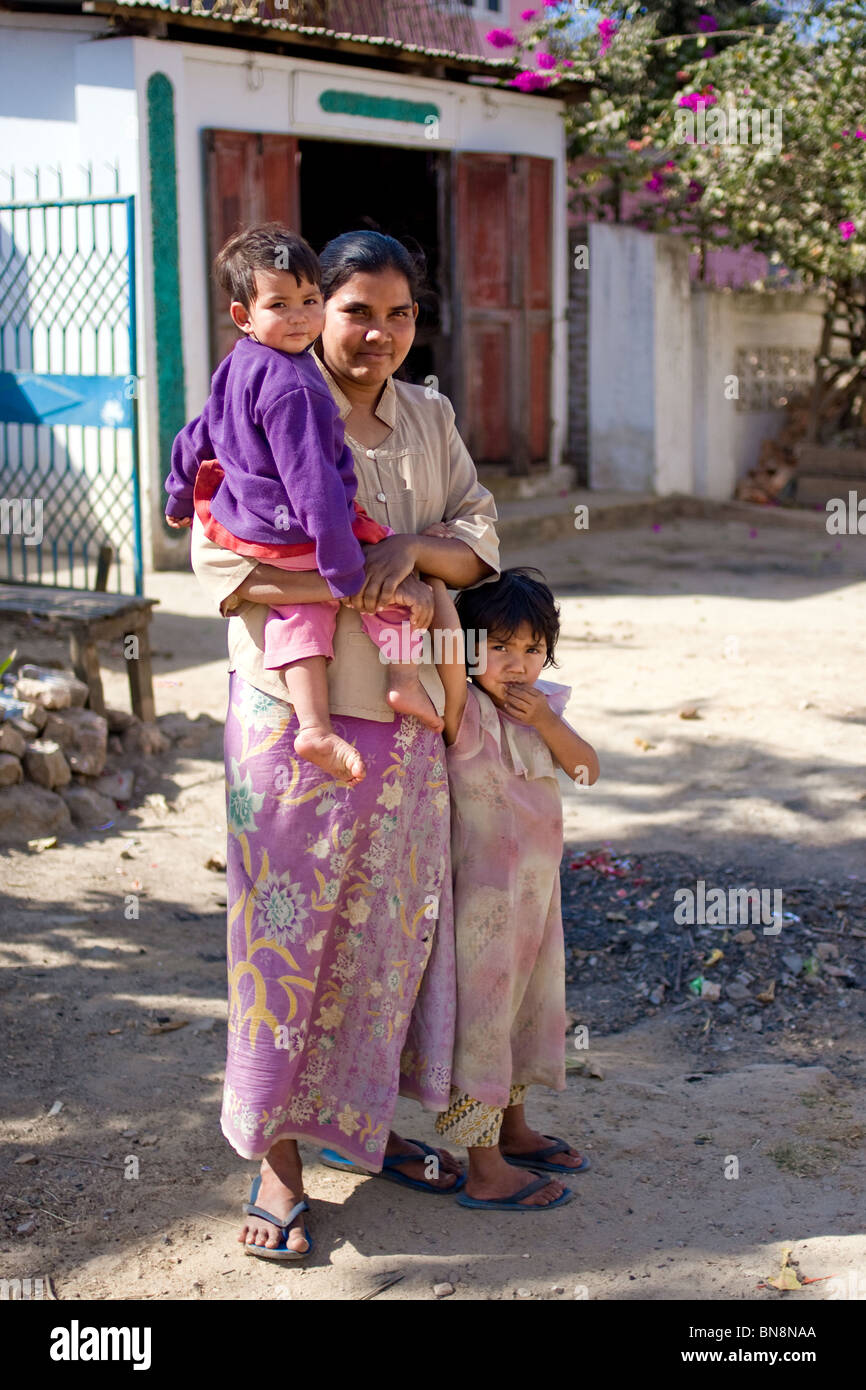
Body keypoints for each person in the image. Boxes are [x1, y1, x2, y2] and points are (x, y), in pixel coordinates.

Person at [189, 229, 500, 1259]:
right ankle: (275, 1163)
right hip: (296, 724)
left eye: (399, 313)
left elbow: (478, 539)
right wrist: (357, 580)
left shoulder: (429, 415)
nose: (377, 332)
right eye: (356, 308)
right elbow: (215, 561)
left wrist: (413, 550)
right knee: (281, 947)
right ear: (315, 307)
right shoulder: (269, 394)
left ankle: (361, 1129)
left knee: (383, 944)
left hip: (408, 731)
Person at [165, 224, 441, 790]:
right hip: (301, 534)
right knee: (400, 592)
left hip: (257, 530)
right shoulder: (299, 388)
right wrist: (347, 575)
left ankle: (313, 726)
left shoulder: (237, 365)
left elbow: (197, 435)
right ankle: (406, 677)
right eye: (280, 305)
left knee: (298, 621)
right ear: (244, 315)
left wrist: (176, 490)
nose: (298, 318)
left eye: (308, 302)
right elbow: (314, 485)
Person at [429, 566, 600, 1210]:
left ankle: (515, 1128)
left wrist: (550, 727)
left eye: (532, 649)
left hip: (538, 903)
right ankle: (483, 1166)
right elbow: (445, 644)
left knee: (528, 1011)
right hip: (482, 908)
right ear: (469, 651)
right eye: (498, 647)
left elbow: (587, 768)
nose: (518, 664)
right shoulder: (461, 708)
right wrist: (441, 585)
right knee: (484, 1022)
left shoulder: (545, 711)